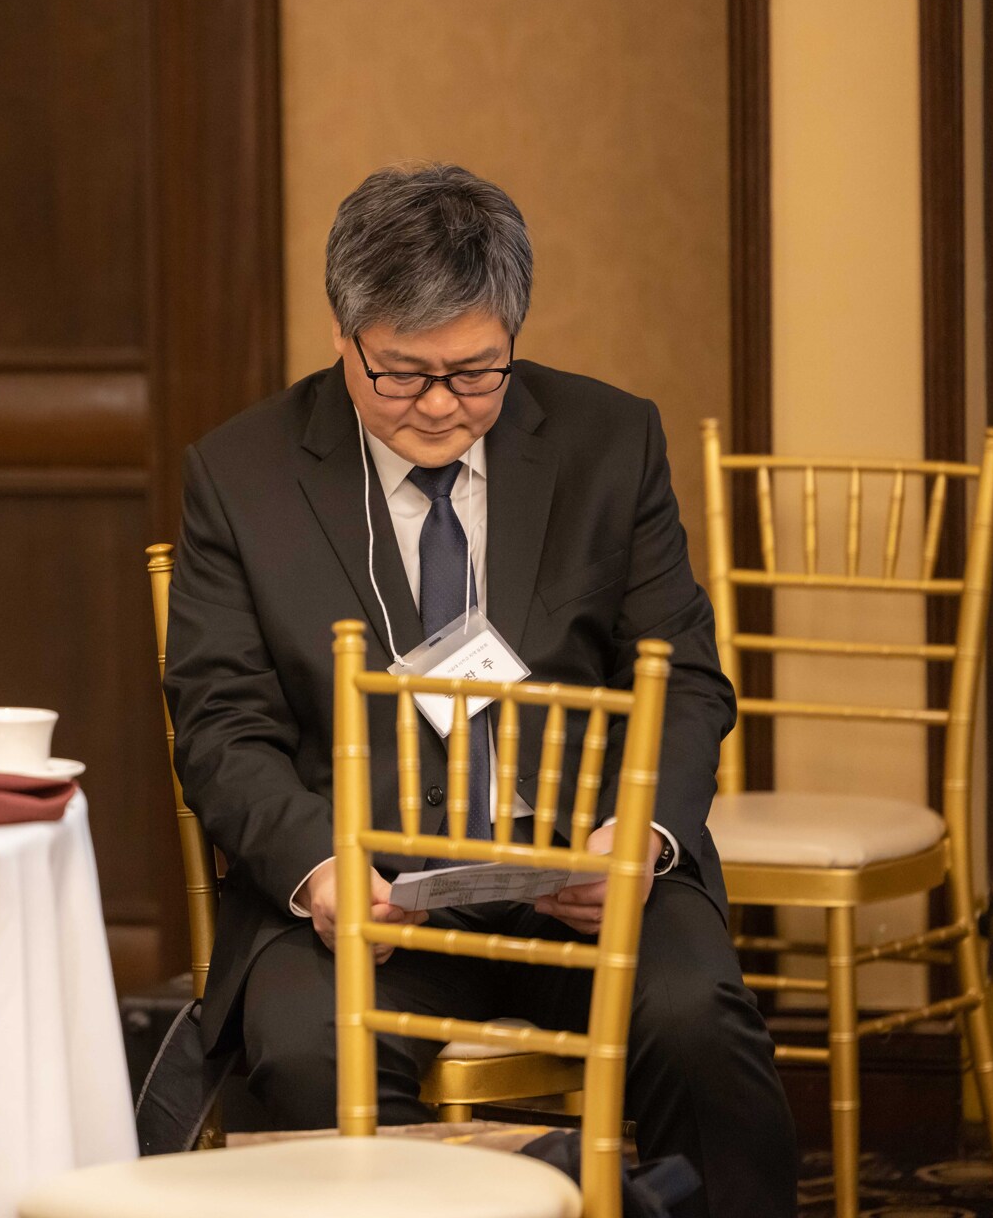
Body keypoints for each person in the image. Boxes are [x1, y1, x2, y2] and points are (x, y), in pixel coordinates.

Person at [163, 163, 793, 1216]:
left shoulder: (609, 441)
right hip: (364, 898)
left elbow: (684, 672)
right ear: (342, 333)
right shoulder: (243, 474)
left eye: (474, 372)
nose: (439, 405)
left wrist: (637, 837)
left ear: (514, 333)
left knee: (700, 1024)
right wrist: (319, 866)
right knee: (309, 1053)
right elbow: (221, 722)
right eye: (402, 374)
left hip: (582, 872)